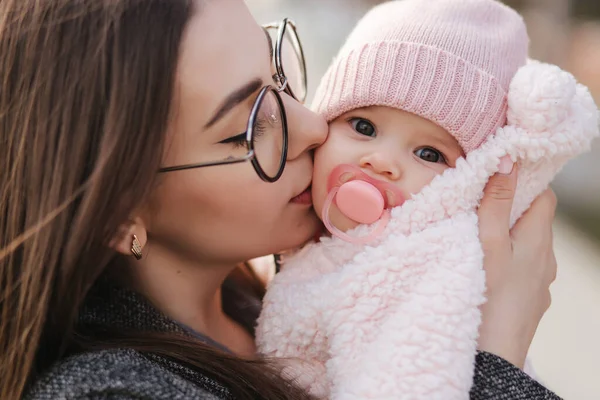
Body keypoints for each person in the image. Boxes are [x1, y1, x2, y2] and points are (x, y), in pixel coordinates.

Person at [0, 0, 559, 399]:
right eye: (250, 128)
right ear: (119, 213)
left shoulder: (276, 298)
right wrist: (498, 355)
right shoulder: (109, 391)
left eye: (280, 78)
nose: (316, 125)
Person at [256, 0, 598, 398]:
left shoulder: (429, 269)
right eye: (363, 126)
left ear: (468, 183)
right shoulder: (297, 246)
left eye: (429, 154)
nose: (382, 162)